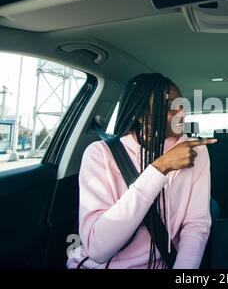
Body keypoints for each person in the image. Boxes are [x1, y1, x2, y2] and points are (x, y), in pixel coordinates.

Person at [67, 73, 216, 269]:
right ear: (138, 113)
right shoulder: (99, 154)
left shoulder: (195, 151)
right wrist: (160, 168)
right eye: (170, 104)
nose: (181, 111)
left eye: (182, 104)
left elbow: (196, 224)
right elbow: (98, 249)